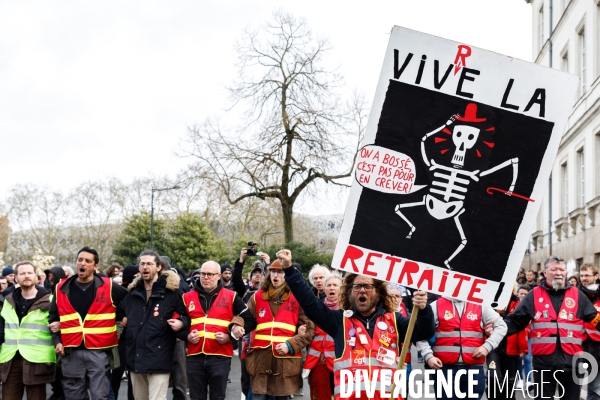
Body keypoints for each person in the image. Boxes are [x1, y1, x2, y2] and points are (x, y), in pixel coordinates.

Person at [278, 249, 434, 399]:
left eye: (368, 286)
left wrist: (424, 309)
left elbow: (425, 331)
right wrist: (289, 270)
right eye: (357, 286)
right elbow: (310, 303)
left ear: (378, 292)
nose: (362, 290)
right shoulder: (339, 321)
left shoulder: (395, 320)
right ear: (348, 292)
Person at [504, 256, 600, 400]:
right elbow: (516, 321)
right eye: (554, 269)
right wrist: (495, 329)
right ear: (544, 272)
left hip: (571, 364)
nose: (558, 273)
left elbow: (596, 320)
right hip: (543, 365)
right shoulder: (533, 295)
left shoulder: (578, 295)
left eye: (562, 269)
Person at [49, 246, 129, 400]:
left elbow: (131, 304)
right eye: (80, 260)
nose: (82, 264)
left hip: (99, 352)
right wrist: (57, 341)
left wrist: (123, 320)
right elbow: (53, 319)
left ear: (95, 266)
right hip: (70, 352)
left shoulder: (109, 286)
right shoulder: (60, 288)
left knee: (100, 396)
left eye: (87, 261)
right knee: (74, 397)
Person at [181, 259, 254, 400]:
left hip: (220, 356)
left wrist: (231, 336)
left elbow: (251, 320)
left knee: (218, 397)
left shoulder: (231, 296)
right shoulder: (186, 297)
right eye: (203, 274)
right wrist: (187, 336)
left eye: (210, 274)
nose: (205, 277)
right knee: (196, 397)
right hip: (195, 356)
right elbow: (177, 324)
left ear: (219, 276)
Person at [122, 250, 189, 400]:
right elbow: (121, 313)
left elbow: (189, 315)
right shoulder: (132, 293)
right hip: (136, 359)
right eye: (142, 264)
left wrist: (182, 322)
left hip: (159, 358)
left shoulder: (172, 292)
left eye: (149, 264)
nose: (145, 267)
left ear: (158, 267)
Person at [246, 257, 315, 400]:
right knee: (257, 396)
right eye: (273, 272)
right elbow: (245, 318)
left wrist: (291, 345)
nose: (275, 275)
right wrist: (236, 327)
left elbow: (309, 329)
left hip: (285, 360)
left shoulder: (297, 298)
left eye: (280, 272)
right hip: (260, 359)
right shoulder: (257, 297)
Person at [416, 294, 506, 400]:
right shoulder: (435, 306)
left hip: (474, 368)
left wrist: (487, 346)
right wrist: (428, 356)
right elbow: (419, 332)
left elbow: (501, 326)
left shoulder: (481, 306)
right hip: (444, 369)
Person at [0, 261, 56, 399]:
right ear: (15, 278)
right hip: (10, 360)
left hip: (37, 361)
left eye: (30, 273)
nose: (26, 276)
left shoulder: (50, 300)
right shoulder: (7, 301)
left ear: (36, 277)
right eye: (22, 273)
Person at [303, 273, 342, 400]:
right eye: (328, 285)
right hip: (318, 360)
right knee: (319, 391)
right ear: (324, 289)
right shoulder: (317, 308)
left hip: (341, 360)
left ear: (341, 289)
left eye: (335, 285)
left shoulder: (349, 310)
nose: (331, 288)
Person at [486, 284, 527, 399]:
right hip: (493, 345)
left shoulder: (517, 303)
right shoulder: (490, 302)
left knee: (509, 379)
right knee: (493, 377)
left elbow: (522, 327)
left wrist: (523, 347)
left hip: (511, 347)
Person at [579, 263, 600, 400]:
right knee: (593, 388)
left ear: (596, 276)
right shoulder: (576, 295)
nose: (584, 278)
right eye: (581, 275)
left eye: (587, 275)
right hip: (584, 348)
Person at [387, 283, 413, 379]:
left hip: (404, 359)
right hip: (385, 361)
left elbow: (419, 335)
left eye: (397, 296)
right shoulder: (379, 314)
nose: (394, 299)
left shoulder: (407, 315)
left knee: (403, 390)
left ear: (401, 299)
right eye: (391, 296)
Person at [515, 284, 532, 389]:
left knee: (527, 359)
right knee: (517, 359)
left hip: (528, 336)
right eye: (521, 293)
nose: (523, 295)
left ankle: (529, 381)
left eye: (525, 294)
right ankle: (520, 380)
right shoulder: (514, 305)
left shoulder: (532, 305)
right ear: (518, 294)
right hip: (516, 336)